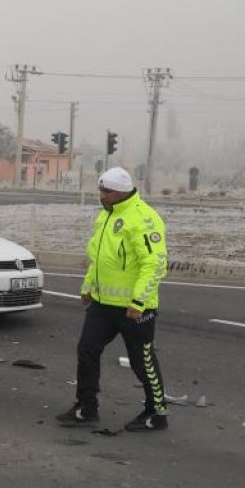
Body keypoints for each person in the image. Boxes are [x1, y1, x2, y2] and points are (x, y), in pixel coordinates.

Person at [57, 167, 171, 432]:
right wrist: (88, 287)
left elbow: (154, 264)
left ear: (122, 192)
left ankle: (157, 413)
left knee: (142, 360)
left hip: (133, 309)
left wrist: (139, 302)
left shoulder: (143, 218)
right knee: (87, 350)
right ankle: (86, 407)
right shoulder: (106, 216)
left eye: (106, 191)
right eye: (101, 190)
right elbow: (99, 259)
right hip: (103, 303)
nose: (102, 195)